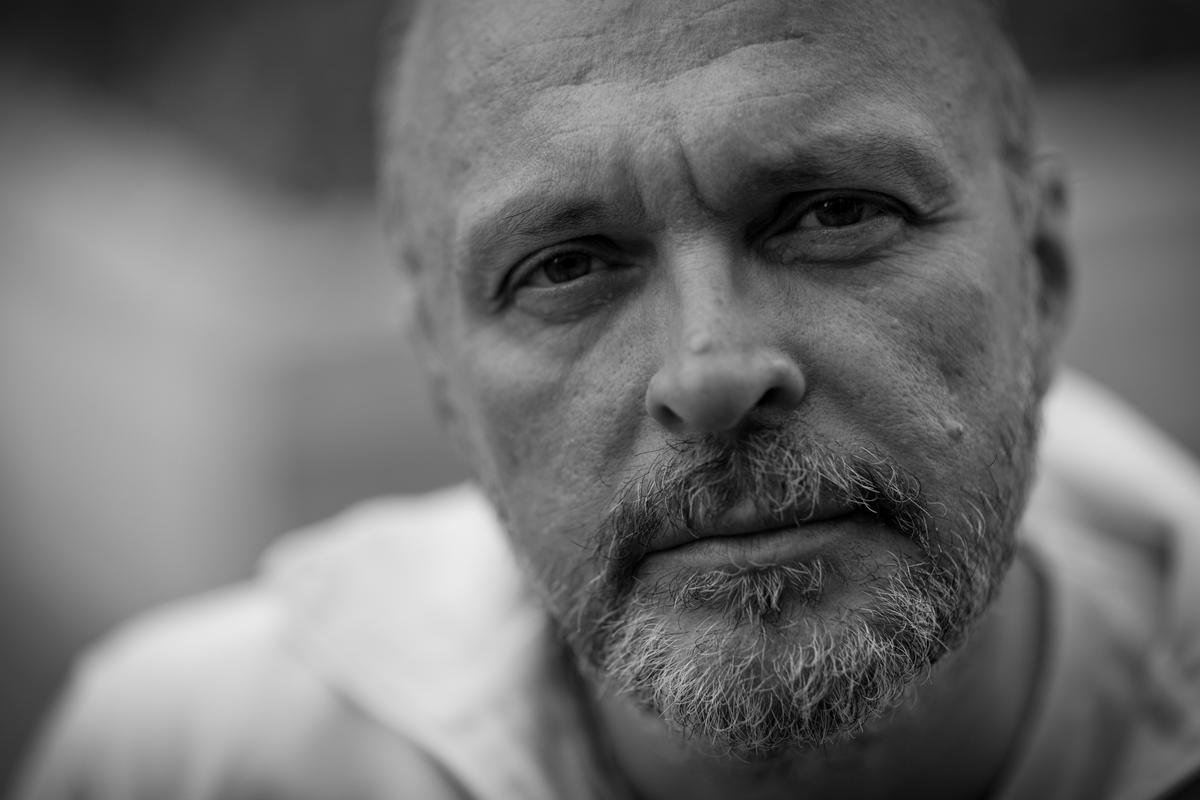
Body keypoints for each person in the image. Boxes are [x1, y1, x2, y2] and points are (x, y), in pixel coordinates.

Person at [16, 0, 1200, 798]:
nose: (711, 372)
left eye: (835, 213)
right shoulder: (179, 756)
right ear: (441, 369)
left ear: (1041, 271)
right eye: (565, 266)